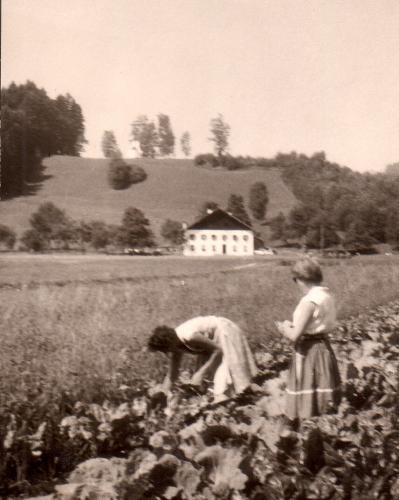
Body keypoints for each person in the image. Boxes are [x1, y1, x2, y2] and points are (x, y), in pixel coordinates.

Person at [276, 257, 341, 421]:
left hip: (309, 351)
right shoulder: (326, 296)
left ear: (301, 279)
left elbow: (294, 335)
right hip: (324, 347)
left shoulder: (309, 302)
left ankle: (306, 427)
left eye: (295, 280)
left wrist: (284, 328)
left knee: (308, 390)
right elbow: (315, 323)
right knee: (322, 388)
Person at [148, 316, 258, 402]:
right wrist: (162, 394)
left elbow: (218, 350)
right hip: (213, 346)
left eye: (165, 349)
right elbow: (172, 374)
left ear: (170, 341)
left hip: (225, 333)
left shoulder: (189, 335)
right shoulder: (176, 344)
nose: (166, 353)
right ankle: (237, 398)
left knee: (231, 375)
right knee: (220, 381)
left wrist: (200, 373)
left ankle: (251, 397)